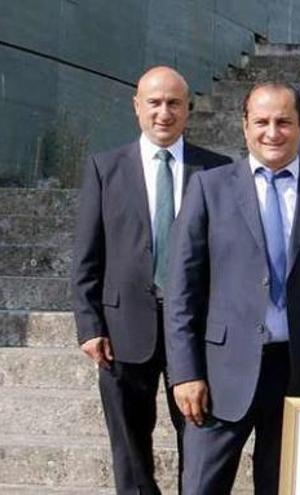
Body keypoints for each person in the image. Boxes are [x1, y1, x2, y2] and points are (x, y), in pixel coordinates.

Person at [164, 82, 300, 495]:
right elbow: (182, 289)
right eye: (262, 122)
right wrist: (184, 372)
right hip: (218, 377)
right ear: (244, 126)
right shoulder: (208, 189)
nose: (273, 132)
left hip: (296, 376)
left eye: (284, 122)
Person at [70, 66, 231, 494]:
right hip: (123, 331)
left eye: (174, 103)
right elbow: (87, 254)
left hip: (194, 331)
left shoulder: (216, 171)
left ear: (188, 109)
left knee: (199, 439)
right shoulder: (105, 168)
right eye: (155, 102)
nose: (164, 112)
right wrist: (89, 326)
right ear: (137, 106)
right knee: (129, 447)